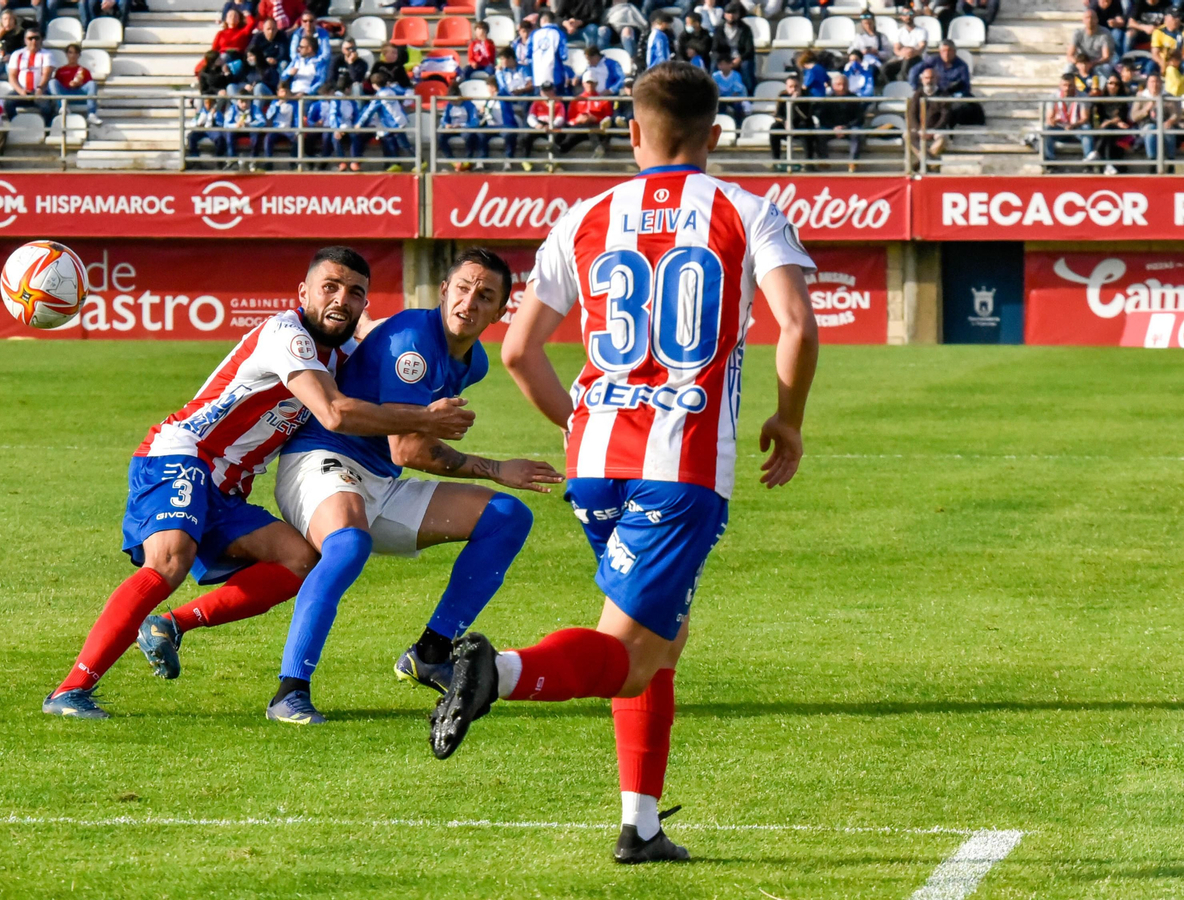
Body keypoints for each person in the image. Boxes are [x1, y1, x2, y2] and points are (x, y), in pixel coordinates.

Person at [437, 60, 818, 867]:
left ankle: (639, 825)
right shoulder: (748, 210)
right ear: (716, 135)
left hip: (597, 462)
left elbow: (519, 349)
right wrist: (787, 419)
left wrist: (581, 420)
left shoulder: (585, 216)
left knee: (661, 639)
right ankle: (495, 673)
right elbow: (796, 326)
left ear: (633, 131)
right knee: (634, 651)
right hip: (680, 468)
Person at [42, 247, 476, 720]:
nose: (341, 299)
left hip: (228, 484)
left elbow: (383, 332)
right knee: (170, 560)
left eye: (354, 293)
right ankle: (70, 690)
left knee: (300, 559)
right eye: (329, 287)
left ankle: (170, 625)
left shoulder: (345, 348)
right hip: (183, 454)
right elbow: (332, 412)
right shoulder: (284, 334)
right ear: (302, 292)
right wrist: (424, 417)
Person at [137, 250, 544, 725]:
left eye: (485, 296)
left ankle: (430, 653)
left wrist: (493, 474)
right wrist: (494, 467)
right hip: (318, 463)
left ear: (499, 312)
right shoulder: (414, 342)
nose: (469, 302)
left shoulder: (473, 363)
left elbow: (398, 450)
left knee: (508, 517)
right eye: (462, 288)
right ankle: (289, 692)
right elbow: (408, 450)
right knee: (348, 543)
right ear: (443, 291)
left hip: (378, 483)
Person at [358, 70, 412, 166]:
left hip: (392, 123)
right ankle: (395, 164)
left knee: (402, 144)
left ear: (374, 85)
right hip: (398, 120)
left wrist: (360, 123)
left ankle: (418, 162)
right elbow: (407, 91)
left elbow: (369, 111)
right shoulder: (391, 90)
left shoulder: (379, 97)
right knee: (391, 142)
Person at [557, 72, 616, 155]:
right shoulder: (576, 100)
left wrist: (595, 119)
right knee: (574, 132)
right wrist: (577, 120)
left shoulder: (603, 100)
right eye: (588, 83)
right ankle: (561, 148)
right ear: (583, 84)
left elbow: (608, 119)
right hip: (580, 128)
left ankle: (598, 149)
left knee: (591, 131)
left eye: (592, 83)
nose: (590, 85)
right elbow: (570, 120)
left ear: (596, 84)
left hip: (596, 127)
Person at [814, 70, 865, 167]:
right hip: (831, 128)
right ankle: (824, 161)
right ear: (833, 86)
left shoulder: (855, 99)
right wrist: (834, 128)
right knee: (820, 132)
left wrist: (845, 127)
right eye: (839, 84)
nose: (842, 87)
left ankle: (853, 162)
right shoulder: (827, 100)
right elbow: (822, 117)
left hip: (849, 128)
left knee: (857, 132)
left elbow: (860, 118)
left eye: (844, 84)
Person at [1132, 70, 1179, 163]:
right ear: (1147, 84)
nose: (1155, 84)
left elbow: (1176, 113)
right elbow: (1133, 116)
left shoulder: (1168, 96)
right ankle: (1152, 161)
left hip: (1164, 123)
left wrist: (1170, 121)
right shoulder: (1141, 97)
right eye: (1152, 82)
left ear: (1161, 83)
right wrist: (1146, 109)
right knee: (1151, 129)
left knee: (1168, 130)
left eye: (1157, 81)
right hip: (1146, 125)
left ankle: (1171, 161)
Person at [4, 27, 53, 116]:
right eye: (30, 38)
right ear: (25, 40)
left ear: (41, 39)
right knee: (7, 103)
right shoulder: (17, 54)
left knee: (47, 108)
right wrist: (20, 91)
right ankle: (15, 124)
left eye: (36, 38)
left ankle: (45, 129)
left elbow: (46, 74)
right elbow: (12, 76)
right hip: (21, 91)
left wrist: (40, 88)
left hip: (40, 91)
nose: (34, 41)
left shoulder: (47, 54)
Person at [769, 72, 815, 168]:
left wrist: (796, 102)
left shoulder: (807, 95)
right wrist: (785, 122)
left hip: (802, 124)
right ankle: (775, 161)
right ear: (786, 87)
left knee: (807, 129)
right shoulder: (782, 95)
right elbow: (777, 114)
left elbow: (807, 115)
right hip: (787, 124)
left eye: (796, 86)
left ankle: (809, 163)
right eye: (791, 86)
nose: (793, 89)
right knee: (774, 128)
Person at [1090, 75, 1133, 173]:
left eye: (1116, 84)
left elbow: (1122, 116)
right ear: (1106, 85)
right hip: (1105, 129)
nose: (1113, 86)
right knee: (1108, 133)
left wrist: (1109, 121)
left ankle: (1097, 152)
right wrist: (1111, 122)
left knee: (1108, 130)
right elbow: (1097, 117)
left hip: (1119, 129)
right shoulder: (1101, 99)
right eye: (1110, 83)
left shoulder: (1123, 99)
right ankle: (1108, 164)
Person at [49, 43, 100, 122]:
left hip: (79, 94)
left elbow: (90, 88)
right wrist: (69, 85)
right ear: (66, 54)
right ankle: (62, 107)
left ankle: (91, 114)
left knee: (92, 83)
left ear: (79, 55)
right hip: (65, 95)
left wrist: (79, 84)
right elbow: (57, 87)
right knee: (52, 82)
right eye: (70, 52)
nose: (73, 55)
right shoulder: (60, 70)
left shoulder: (84, 71)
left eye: (76, 53)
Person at [438, 89, 488, 166]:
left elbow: (475, 122)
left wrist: (462, 126)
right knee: (440, 137)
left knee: (469, 136)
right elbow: (443, 119)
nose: (454, 103)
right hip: (452, 129)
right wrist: (446, 125)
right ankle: (452, 160)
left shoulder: (470, 105)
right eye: (452, 101)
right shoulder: (449, 106)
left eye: (455, 101)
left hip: (465, 129)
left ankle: (468, 160)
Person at [520, 80, 567, 162]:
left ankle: (554, 161)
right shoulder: (537, 103)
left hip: (552, 126)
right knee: (526, 136)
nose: (547, 93)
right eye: (545, 91)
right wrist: (536, 125)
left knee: (558, 138)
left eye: (549, 90)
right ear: (541, 92)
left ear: (553, 91)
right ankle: (525, 160)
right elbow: (531, 117)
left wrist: (552, 126)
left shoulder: (559, 104)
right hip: (540, 125)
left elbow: (561, 118)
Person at [884, 6, 928, 84]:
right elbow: (896, 49)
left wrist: (910, 52)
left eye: (910, 13)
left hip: (917, 58)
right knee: (885, 68)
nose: (908, 16)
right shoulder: (898, 32)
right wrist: (904, 53)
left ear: (914, 15)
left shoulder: (922, 31)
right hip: (902, 58)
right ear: (901, 16)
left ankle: (904, 86)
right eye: (905, 14)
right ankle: (893, 86)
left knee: (906, 65)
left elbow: (921, 48)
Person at [1069, 7, 1117, 75]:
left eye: (1092, 18)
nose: (1090, 20)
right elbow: (1069, 55)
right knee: (1068, 67)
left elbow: (1106, 57)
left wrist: (1092, 63)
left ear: (1097, 20)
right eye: (1087, 18)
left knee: (1105, 68)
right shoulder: (1078, 33)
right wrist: (1078, 63)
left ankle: (1101, 86)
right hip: (1082, 61)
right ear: (1083, 20)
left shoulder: (1105, 33)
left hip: (1099, 62)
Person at [530, 10, 568, 91]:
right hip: (555, 76)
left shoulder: (534, 34)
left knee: (540, 103)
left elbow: (528, 54)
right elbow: (564, 55)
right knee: (557, 102)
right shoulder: (559, 33)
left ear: (542, 21)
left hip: (538, 77)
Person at [719, 2, 754, 88]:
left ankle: (749, 94)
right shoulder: (719, 29)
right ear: (724, 14)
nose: (731, 16)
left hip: (741, 57)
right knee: (715, 64)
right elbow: (716, 48)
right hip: (725, 57)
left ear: (738, 15)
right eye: (729, 13)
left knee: (746, 66)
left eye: (734, 13)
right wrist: (726, 61)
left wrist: (740, 59)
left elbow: (749, 49)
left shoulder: (745, 29)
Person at [0, 9, 25, 79]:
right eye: (5, 19)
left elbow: (24, 49)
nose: (8, 22)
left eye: (10, 19)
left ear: (14, 21)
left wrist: (12, 56)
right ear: (1, 21)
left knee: (12, 73)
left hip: (13, 59)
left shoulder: (20, 33)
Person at [712, 53, 748, 118]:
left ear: (730, 64)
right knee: (718, 106)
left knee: (738, 106)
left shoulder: (736, 75)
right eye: (720, 64)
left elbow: (736, 91)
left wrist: (728, 100)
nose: (722, 66)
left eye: (724, 64)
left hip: (734, 98)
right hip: (721, 99)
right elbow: (714, 89)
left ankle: (738, 124)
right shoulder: (715, 76)